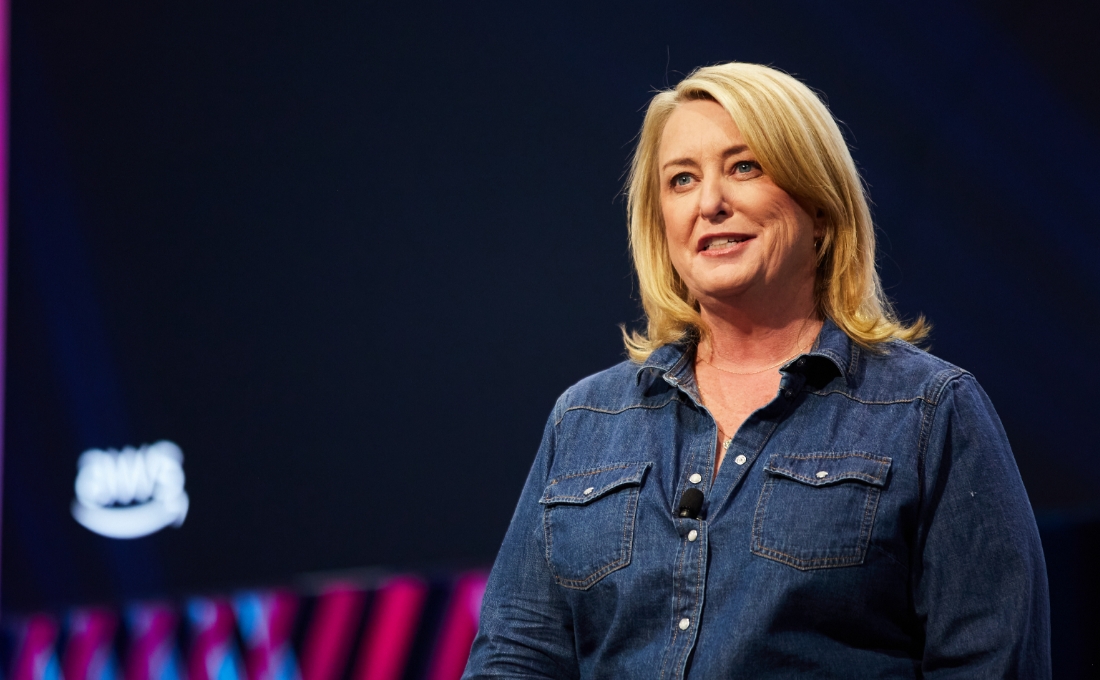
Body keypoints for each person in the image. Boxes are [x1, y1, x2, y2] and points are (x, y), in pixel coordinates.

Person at [462, 62, 1050, 678]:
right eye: (682, 180)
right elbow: (517, 655)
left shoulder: (930, 412)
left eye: (744, 167)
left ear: (819, 207)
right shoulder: (585, 419)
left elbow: (990, 662)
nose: (711, 202)